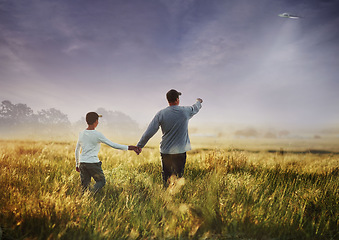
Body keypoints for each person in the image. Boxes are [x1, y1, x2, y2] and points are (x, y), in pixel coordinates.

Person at [137, 89, 203, 187]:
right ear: (177, 99)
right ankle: (176, 198)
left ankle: (165, 198)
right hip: (180, 151)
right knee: (178, 177)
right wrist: (198, 101)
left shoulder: (161, 114)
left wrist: (140, 145)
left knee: (166, 177)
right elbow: (195, 108)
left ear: (168, 100)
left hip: (166, 151)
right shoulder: (185, 111)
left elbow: (149, 131)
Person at [75, 112, 140, 193]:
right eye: (97, 120)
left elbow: (77, 150)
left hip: (82, 163)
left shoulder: (81, 134)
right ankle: (90, 193)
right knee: (101, 181)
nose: (98, 122)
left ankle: (84, 198)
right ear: (95, 122)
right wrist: (130, 147)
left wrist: (77, 164)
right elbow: (112, 145)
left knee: (84, 186)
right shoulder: (97, 134)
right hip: (93, 163)